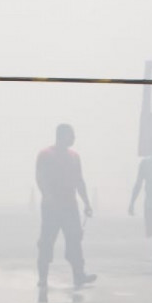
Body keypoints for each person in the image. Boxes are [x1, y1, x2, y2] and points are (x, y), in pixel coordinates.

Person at [36, 124, 97, 289]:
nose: (73, 139)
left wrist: (87, 203)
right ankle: (43, 278)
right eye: (71, 135)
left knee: (75, 240)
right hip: (51, 206)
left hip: (70, 206)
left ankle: (79, 275)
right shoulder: (46, 154)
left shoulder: (74, 156)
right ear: (61, 136)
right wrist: (47, 195)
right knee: (47, 242)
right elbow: (40, 177)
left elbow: (79, 181)